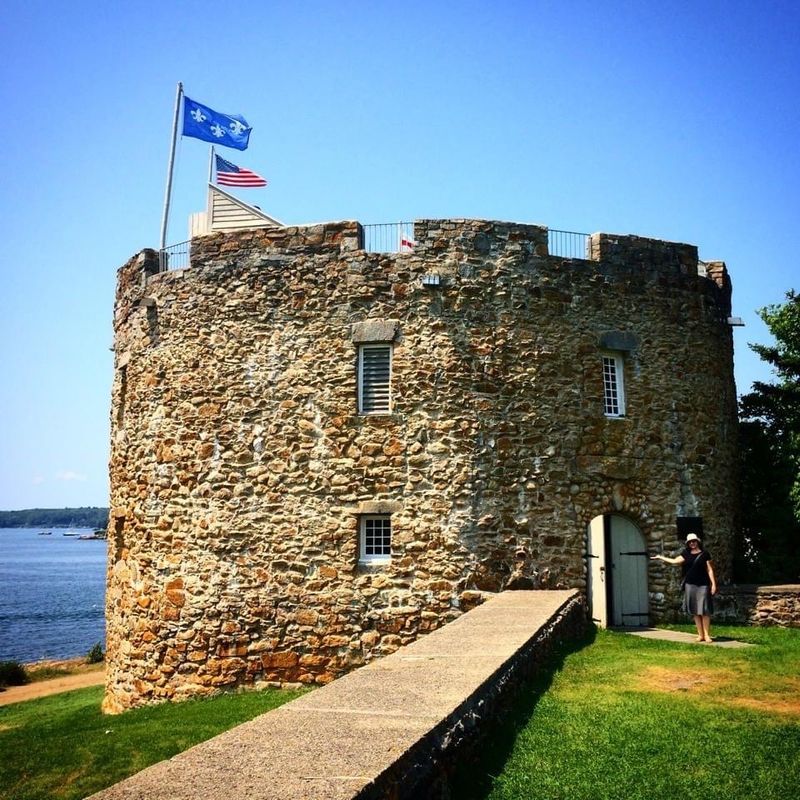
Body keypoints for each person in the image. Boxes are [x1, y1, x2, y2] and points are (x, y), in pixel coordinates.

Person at [651, 533, 717, 642]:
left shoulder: (705, 554)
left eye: (694, 541)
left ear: (698, 541)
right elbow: (674, 561)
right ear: (687, 543)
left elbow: (710, 569)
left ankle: (707, 635)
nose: (692, 543)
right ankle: (700, 635)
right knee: (695, 610)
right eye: (690, 542)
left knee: (705, 610)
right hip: (690, 584)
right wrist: (661, 557)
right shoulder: (685, 554)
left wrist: (713, 584)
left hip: (703, 584)